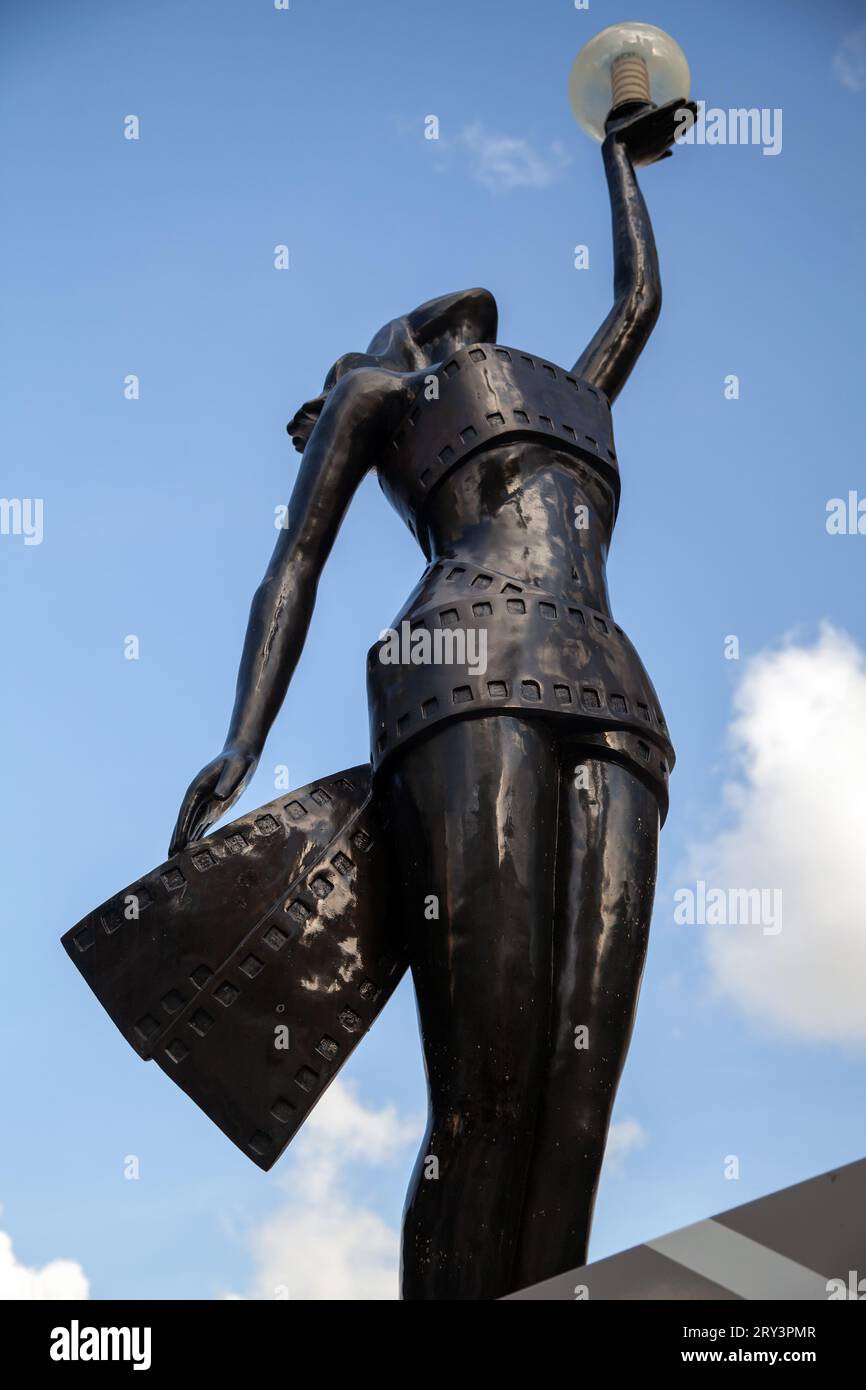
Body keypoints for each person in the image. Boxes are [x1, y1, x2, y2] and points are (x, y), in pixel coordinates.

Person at [169, 97, 691, 1300]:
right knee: (489, 1082)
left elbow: (639, 303)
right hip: (458, 673)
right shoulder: (374, 390)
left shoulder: (572, 386)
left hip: (610, 690)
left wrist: (617, 157)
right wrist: (241, 740)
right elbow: (291, 560)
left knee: (576, 1105)